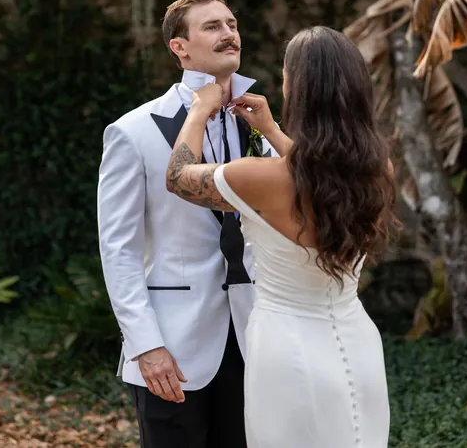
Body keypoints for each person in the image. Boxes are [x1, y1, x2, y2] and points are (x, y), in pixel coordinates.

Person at [165, 25, 396, 448]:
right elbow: (321, 178)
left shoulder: (257, 178)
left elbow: (178, 178)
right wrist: (271, 131)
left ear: (300, 92)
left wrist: (199, 110)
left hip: (287, 351)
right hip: (359, 346)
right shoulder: (377, 172)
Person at [97, 0, 277, 448]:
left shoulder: (259, 124)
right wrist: (145, 345)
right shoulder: (132, 132)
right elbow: (119, 249)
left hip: (256, 339)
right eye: (212, 26)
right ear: (180, 47)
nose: (228, 33)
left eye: (232, 24)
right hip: (172, 346)